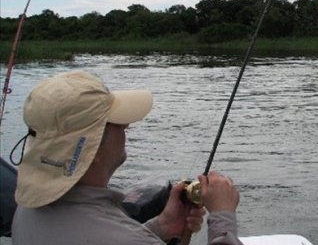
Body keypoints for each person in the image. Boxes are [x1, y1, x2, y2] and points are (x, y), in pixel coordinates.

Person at [10, 70, 243, 245]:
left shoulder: (28, 210)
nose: (127, 125)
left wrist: (161, 226)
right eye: (116, 123)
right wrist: (223, 216)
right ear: (92, 150)